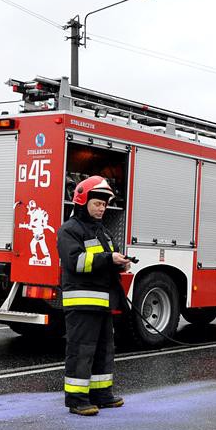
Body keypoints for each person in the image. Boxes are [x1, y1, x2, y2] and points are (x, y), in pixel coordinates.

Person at [57, 175, 132, 416]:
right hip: (82, 303)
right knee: (81, 351)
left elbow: (106, 259)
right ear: (83, 201)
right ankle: (77, 400)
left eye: (104, 204)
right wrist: (108, 259)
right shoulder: (70, 230)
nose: (102, 208)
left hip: (102, 302)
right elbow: (76, 262)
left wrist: (120, 263)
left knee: (103, 350)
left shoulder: (102, 231)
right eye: (97, 204)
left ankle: (102, 394)